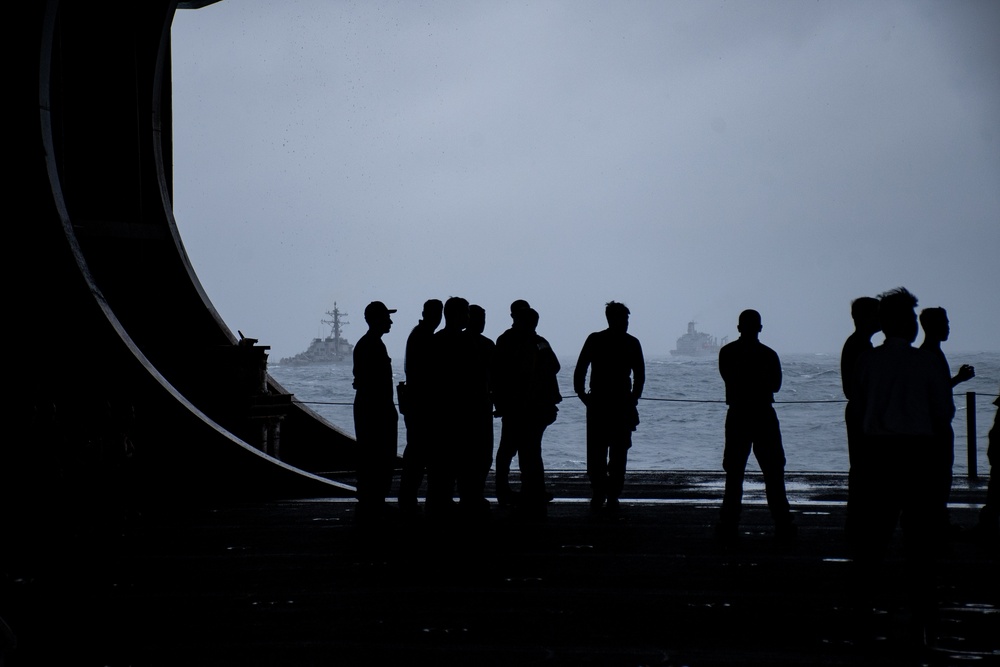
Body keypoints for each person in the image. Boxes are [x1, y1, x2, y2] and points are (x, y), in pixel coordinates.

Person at [852, 288, 954, 635]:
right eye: (912, 318)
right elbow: (943, 413)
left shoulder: (868, 360)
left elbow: (861, 404)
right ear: (906, 323)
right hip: (917, 456)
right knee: (920, 540)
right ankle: (922, 608)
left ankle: (863, 605)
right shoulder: (924, 361)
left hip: (877, 455)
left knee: (874, 538)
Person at [716, 309, 795, 540]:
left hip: (738, 413)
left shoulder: (727, 352)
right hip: (763, 414)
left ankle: (729, 522)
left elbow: (728, 378)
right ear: (760, 328)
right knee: (773, 471)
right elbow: (776, 385)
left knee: (734, 471)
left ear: (739, 327)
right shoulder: (769, 355)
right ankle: (783, 522)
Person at [573, 301, 645, 510]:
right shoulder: (631, 343)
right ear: (615, 319)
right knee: (617, 452)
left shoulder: (596, 340)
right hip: (619, 403)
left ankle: (601, 491)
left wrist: (582, 394)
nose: (626, 323)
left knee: (599, 451)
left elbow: (580, 369)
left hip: (600, 403)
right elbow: (640, 376)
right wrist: (633, 399)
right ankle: (611, 493)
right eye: (624, 319)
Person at [493, 307, 561, 513]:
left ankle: (528, 489)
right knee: (519, 449)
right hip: (521, 404)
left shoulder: (518, 341)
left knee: (523, 449)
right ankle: (519, 490)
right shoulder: (520, 341)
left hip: (525, 405)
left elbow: (553, 365)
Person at [919, 307, 975, 533]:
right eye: (945, 323)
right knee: (939, 475)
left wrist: (957, 380)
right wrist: (959, 379)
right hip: (936, 426)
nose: (948, 327)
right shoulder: (930, 354)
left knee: (939, 474)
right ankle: (937, 521)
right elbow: (935, 392)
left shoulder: (931, 353)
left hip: (936, 424)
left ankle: (936, 519)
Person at [352, 300, 398, 522]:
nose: (390, 321)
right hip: (376, 409)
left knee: (371, 455)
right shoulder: (373, 345)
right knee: (378, 455)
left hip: (369, 407)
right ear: (377, 320)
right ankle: (374, 502)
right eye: (386, 317)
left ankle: (372, 501)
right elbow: (374, 383)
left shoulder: (367, 344)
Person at [840, 296, 880, 544]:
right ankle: (859, 521)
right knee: (864, 469)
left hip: (859, 411)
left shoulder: (857, 344)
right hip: (863, 413)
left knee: (861, 469)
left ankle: (857, 519)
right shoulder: (861, 347)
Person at [397, 299, 443, 514]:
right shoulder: (425, 337)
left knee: (416, 453)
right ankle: (411, 498)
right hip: (423, 404)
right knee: (420, 454)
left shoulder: (419, 334)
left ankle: (409, 498)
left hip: (417, 403)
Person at [493, 299, 532, 506]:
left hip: (517, 402)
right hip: (516, 402)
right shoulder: (510, 340)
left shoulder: (506, 339)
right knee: (514, 448)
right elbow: (499, 373)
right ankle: (508, 487)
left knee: (517, 448)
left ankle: (520, 487)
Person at [464, 305, 497, 507]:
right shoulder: (486, 345)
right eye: (480, 319)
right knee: (482, 453)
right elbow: (496, 376)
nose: (483, 323)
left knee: (470, 453)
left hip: (469, 406)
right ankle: (474, 493)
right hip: (480, 405)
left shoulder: (456, 342)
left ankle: (470, 493)